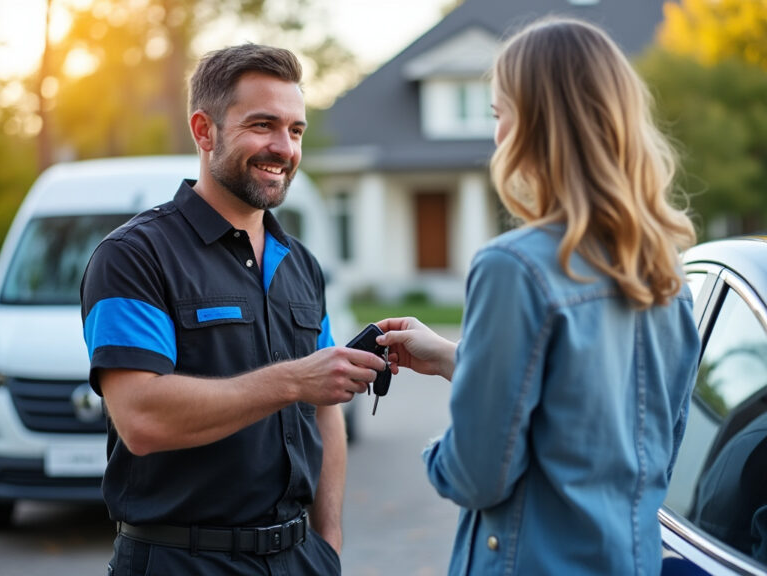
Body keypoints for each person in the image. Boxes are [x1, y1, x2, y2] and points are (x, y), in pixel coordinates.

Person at [376, 16, 701, 576]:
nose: (496, 134)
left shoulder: (514, 266)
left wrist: (437, 455)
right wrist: (457, 358)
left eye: (499, 115)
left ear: (534, 126)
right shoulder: (664, 273)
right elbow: (632, 437)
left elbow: (479, 473)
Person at [80, 44, 385, 576]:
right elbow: (142, 418)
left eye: (295, 130)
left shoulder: (301, 265)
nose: (283, 147)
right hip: (181, 562)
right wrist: (291, 381)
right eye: (263, 125)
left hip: (299, 561)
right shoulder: (132, 256)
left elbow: (326, 408)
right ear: (204, 131)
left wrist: (328, 545)